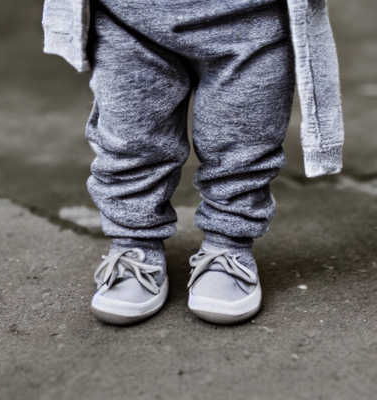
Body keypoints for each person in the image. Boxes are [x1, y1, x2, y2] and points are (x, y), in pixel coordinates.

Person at [42, 0, 344, 325]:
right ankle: (134, 242)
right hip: (129, 19)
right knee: (131, 141)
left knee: (243, 143)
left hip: (252, 18)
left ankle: (228, 244)